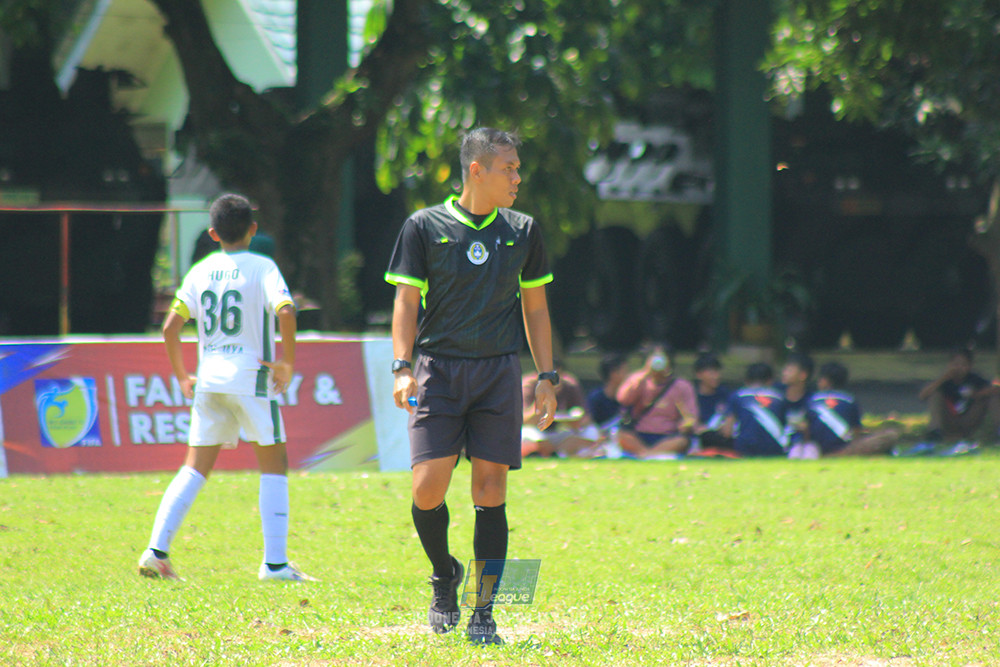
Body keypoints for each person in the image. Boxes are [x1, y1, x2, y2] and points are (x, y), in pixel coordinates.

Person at [384, 128, 558, 645]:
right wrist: (401, 366)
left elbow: (536, 308)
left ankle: (484, 611)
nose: (517, 177)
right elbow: (406, 302)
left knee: (490, 490)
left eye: (518, 168)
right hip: (437, 371)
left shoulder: (523, 230)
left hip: (498, 372)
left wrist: (546, 377)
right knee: (426, 489)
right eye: (508, 168)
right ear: (476, 171)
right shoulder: (423, 226)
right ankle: (445, 574)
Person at [138, 194, 313, 582]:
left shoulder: (201, 271)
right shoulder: (263, 266)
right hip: (251, 377)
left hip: (209, 379)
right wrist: (286, 362)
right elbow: (286, 310)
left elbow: (169, 328)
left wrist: (182, 376)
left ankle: (156, 551)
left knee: (194, 468)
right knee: (274, 464)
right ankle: (275, 565)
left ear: (213, 233)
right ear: (253, 229)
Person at [801, 361, 900, 457]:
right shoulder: (849, 400)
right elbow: (856, 430)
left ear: (825, 381)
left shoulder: (812, 400)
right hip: (847, 450)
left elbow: (806, 428)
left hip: (818, 451)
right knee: (890, 435)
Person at [615, 345, 697, 457]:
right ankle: (649, 454)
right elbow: (623, 399)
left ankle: (647, 455)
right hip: (639, 435)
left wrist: (686, 424)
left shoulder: (682, 386)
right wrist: (645, 373)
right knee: (622, 436)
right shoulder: (638, 380)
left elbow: (691, 416)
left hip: (668, 436)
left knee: (682, 441)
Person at [918, 347, 1000, 443]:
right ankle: (935, 432)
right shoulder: (944, 381)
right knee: (935, 394)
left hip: (969, 419)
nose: (959, 368)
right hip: (949, 419)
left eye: (963, 365)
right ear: (949, 365)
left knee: (993, 396)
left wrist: (976, 394)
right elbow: (922, 396)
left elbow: (995, 389)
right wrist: (942, 379)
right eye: (956, 364)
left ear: (970, 366)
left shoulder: (974, 379)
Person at [521, 361, 600, 458]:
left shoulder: (569, 384)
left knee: (591, 431)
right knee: (527, 432)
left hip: (561, 433)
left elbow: (585, 418)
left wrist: (574, 422)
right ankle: (548, 453)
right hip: (538, 432)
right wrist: (545, 398)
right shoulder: (528, 385)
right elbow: (525, 420)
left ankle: (558, 454)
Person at [721, 362, 788, 457]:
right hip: (774, 449)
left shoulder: (737, 396)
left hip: (745, 448)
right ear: (770, 381)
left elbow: (727, 431)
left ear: (746, 380)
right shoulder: (779, 398)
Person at [689, 352, 734, 453]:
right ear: (699, 374)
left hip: (718, 437)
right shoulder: (691, 395)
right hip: (696, 439)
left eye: (717, 372)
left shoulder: (725, 394)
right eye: (711, 373)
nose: (716, 376)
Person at [586, 352, 629, 432]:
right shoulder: (596, 398)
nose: (627, 375)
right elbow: (590, 425)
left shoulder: (628, 397)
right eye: (624, 371)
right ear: (613, 374)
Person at [778, 352, 814, 447]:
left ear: (803, 375)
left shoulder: (812, 400)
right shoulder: (776, 395)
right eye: (784, 370)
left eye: (789, 370)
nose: (784, 373)